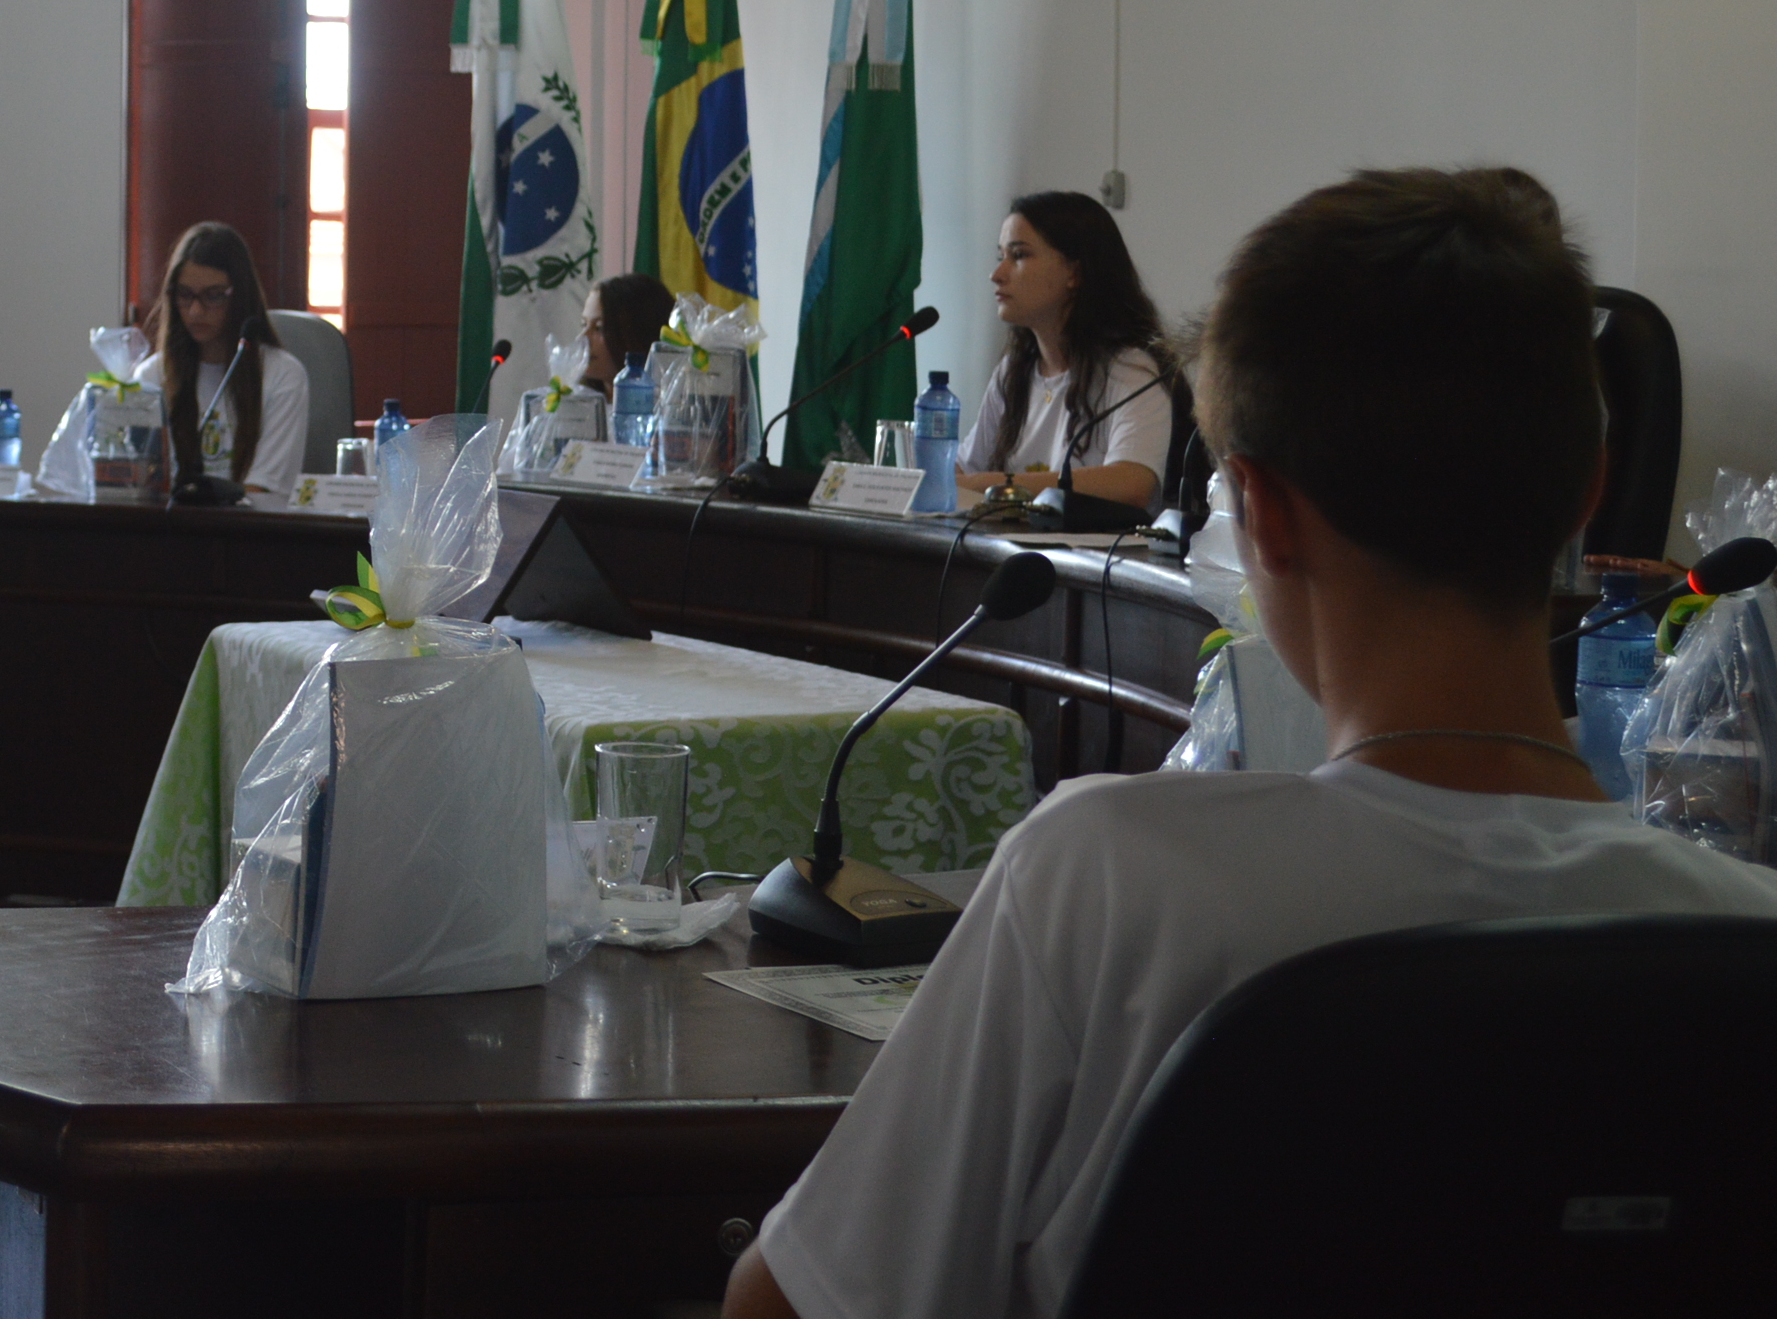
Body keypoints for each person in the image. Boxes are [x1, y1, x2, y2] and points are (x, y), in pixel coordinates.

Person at [728, 167, 1777, 1319]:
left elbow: (792, 1303)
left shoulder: (1108, 876)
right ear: (1587, 492)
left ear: (1260, 513)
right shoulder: (1743, 934)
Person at [957, 190, 1172, 510]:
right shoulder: (1013, 371)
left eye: (1019, 255)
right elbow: (964, 471)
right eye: (1000, 256)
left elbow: (1132, 484)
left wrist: (997, 485)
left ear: (1075, 273)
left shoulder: (1130, 371)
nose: (997, 275)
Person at [136, 223, 309, 498]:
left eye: (213, 296)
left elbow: (264, 491)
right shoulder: (151, 377)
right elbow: (143, 486)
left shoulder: (283, 374)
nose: (195, 311)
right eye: (185, 295)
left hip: (249, 524)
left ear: (240, 295)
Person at [580, 271, 674, 391]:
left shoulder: (670, 401)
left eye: (599, 328)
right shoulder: (576, 398)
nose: (583, 337)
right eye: (584, 324)